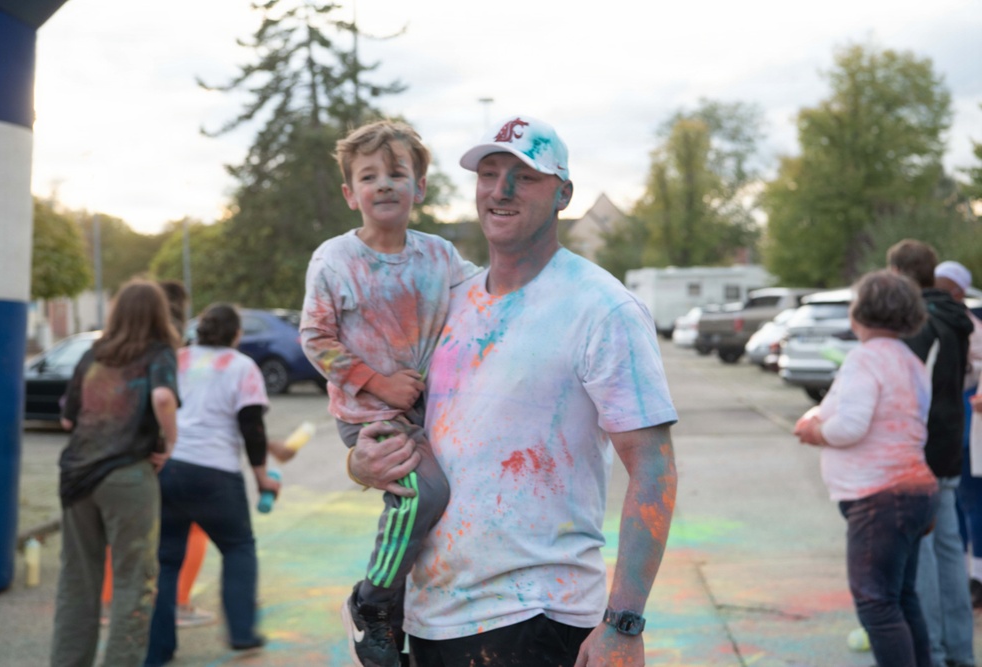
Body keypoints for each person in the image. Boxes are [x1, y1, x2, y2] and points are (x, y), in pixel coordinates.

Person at [348, 114, 678, 667]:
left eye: (524, 177)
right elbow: (406, 424)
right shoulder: (448, 300)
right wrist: (362, 464)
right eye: (489, 174)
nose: (500, 190)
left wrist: (624, 623)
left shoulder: (602, 308)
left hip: (539, 614)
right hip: (432, 613)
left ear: (563, 194)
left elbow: (653, 467)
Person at [299, 119, 479, 667]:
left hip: (428, 411)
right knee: (421, 493)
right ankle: (372, 603)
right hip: (366, 412)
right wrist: (379, 383)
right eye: (369, 176)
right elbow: (315, 339)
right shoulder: (334, 260)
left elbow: (484, 296)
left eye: (397, 174)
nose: (383, 184)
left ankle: (406, 612)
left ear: (419, 188)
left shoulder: (440, 256)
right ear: (350, 193)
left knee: (452, 502)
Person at [794, 270, 938, 666]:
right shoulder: (911, 361)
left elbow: (851, 427)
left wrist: (815, 431)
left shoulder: (864, 358)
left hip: (879, 496)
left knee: (877, 605)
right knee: (901, 598)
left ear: (860, 312)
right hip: (913, 492)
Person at [51, 279, 180, 667]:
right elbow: (163, 397)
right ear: (158, 314)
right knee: (132, 582)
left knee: (77, 580)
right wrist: (169, 442)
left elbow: (67, 420)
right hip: (127, 475)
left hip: (76, 478)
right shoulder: (158, 353)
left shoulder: (94, 353)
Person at [144, 303, 281, 666]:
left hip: (170, 468)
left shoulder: (177, 359)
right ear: (237, 334)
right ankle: (241, 632)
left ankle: (158, 649)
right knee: (238, 548)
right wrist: (262, 476)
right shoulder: (242, 367)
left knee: (166, 560)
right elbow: (252, 426)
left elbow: (153, 405)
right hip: (216, 474)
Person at [100, 280, 216, 628]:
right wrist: (171, 440)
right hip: (167, 453)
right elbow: (167, 400)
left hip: (115, 454)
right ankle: (176, 603)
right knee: (186, 530)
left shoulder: (111, 351)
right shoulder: (171, 351)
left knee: (124, 531)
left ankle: (109, 602)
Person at [888, 240, 976, 667]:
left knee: (919, 554)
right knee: (949, 549)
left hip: (921, 449)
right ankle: (960, 649)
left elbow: (910, 391)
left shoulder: (918, 322)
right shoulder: (957, 317)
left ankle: (933, 653)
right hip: (949, 443)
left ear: (900, 274)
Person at [934, 261, 982, 606]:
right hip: (952, 419)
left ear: (959, 292)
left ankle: (976, 575)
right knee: (957, 502)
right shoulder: (937, 323)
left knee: (972, 500)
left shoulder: (971, 328)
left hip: (968, 418)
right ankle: (965, 573)